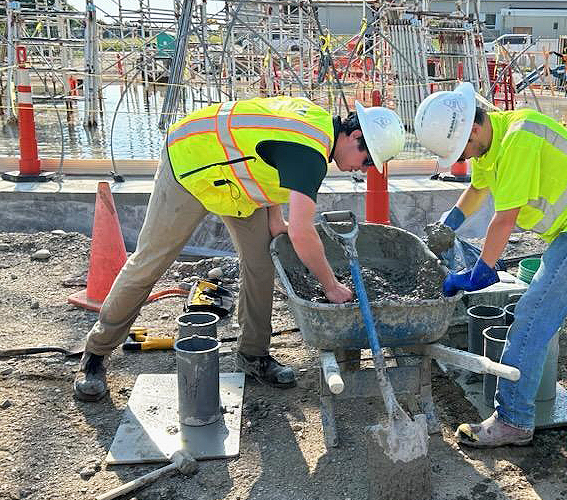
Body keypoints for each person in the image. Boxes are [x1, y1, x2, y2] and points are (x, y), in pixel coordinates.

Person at [74, 96, 405, 402]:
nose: (363, 170)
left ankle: (253, 355)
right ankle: (96, 353)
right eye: (366, 161)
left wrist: (275, 217)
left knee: (261, 263)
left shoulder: (316, 120)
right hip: (192, 164)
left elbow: (269, 158)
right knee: (151, 261)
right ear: (354, 134)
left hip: (235, 182)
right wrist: (331, 287)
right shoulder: (311, 156)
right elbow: (303, 232)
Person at [415, 83, 567, 447]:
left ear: (474, 128)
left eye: (463, 149)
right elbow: (477, 191)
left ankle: (513, 420)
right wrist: (448, 224)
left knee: (533, 313)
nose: (464, 159)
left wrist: (483, 268)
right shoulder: (488, 145)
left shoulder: (518, 139)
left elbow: (504, 218)